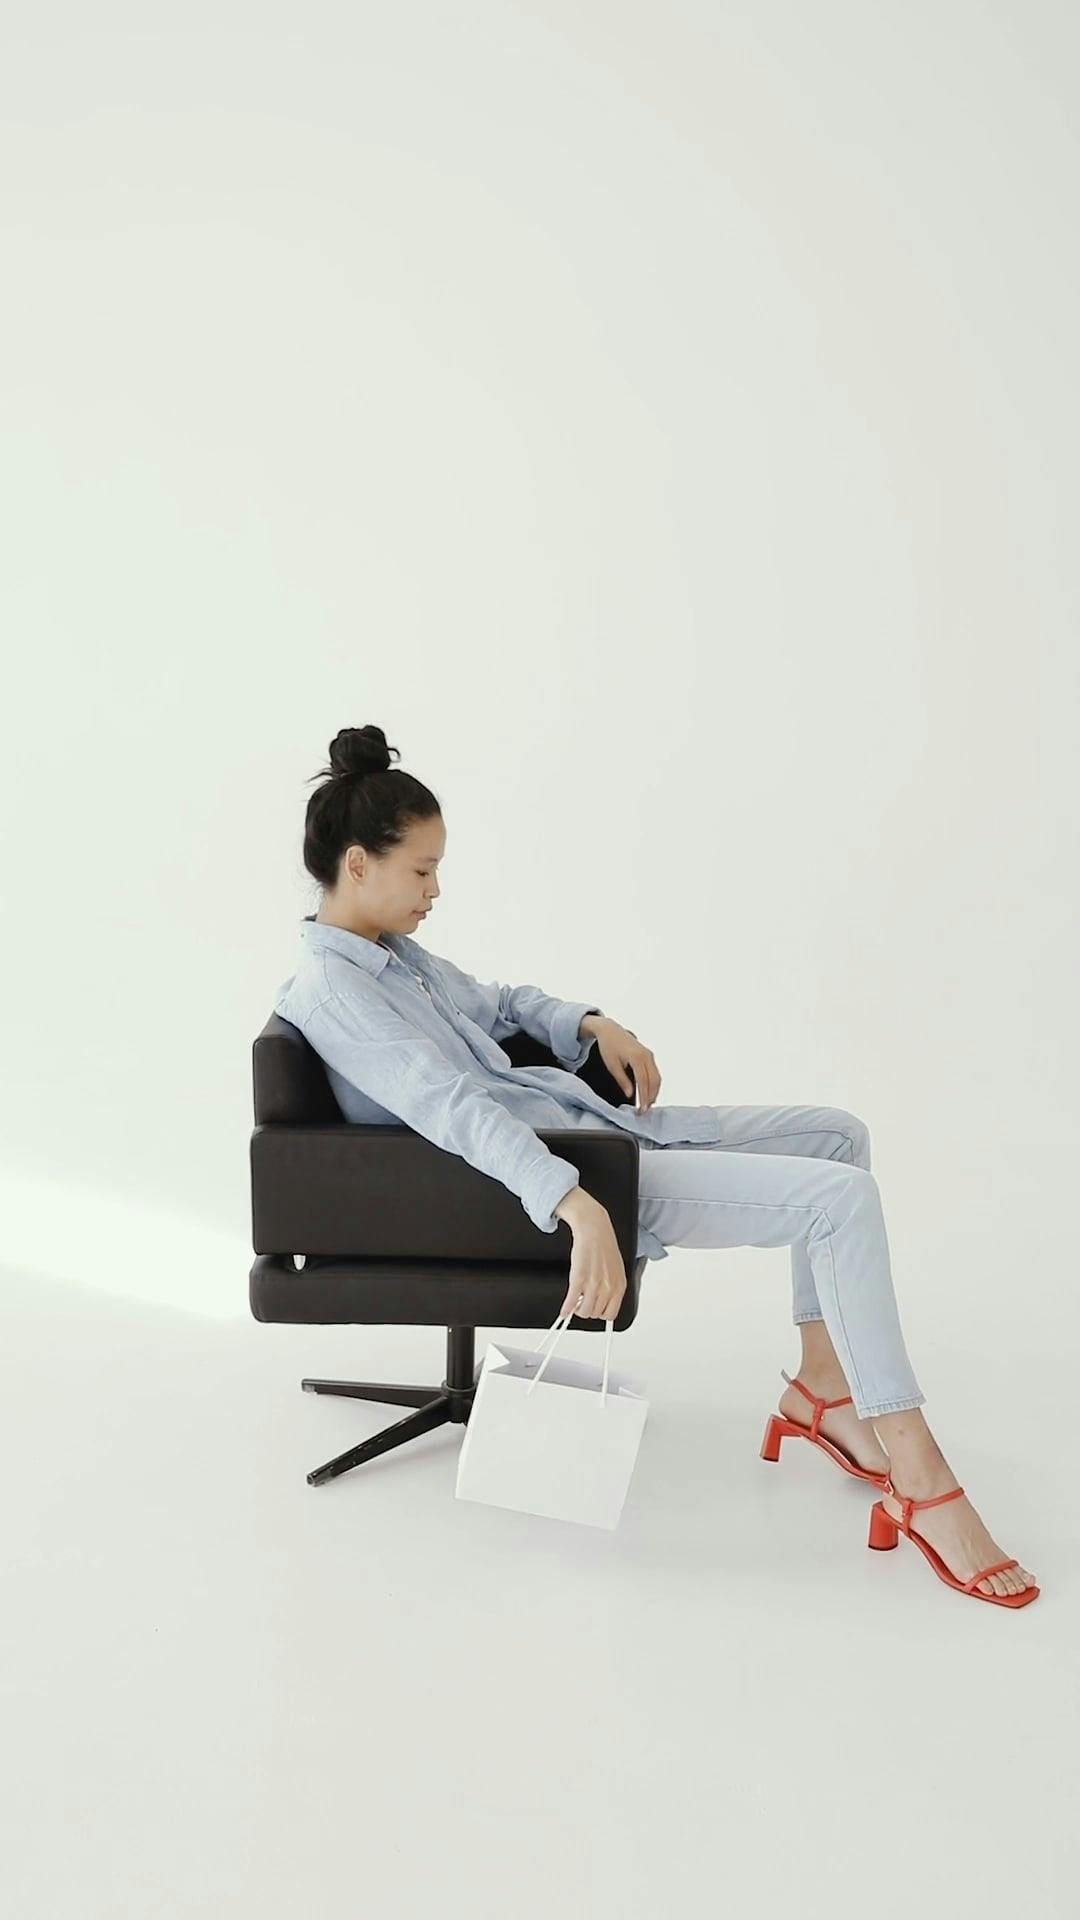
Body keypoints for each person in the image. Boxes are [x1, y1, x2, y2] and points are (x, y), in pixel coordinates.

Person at [274, 723, 1038, 1607]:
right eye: (422, 871)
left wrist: (591, 1024)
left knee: (837, 1137)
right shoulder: (336, 993)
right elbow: (456, 1112)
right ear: (359, 864)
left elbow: (503, 1003)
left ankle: (823, 1394)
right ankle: (919, 1474)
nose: (435, 890)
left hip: (596, 1132)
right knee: (840, 1202)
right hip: (574, 1171)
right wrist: (577, 1205)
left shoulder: (391, 958)